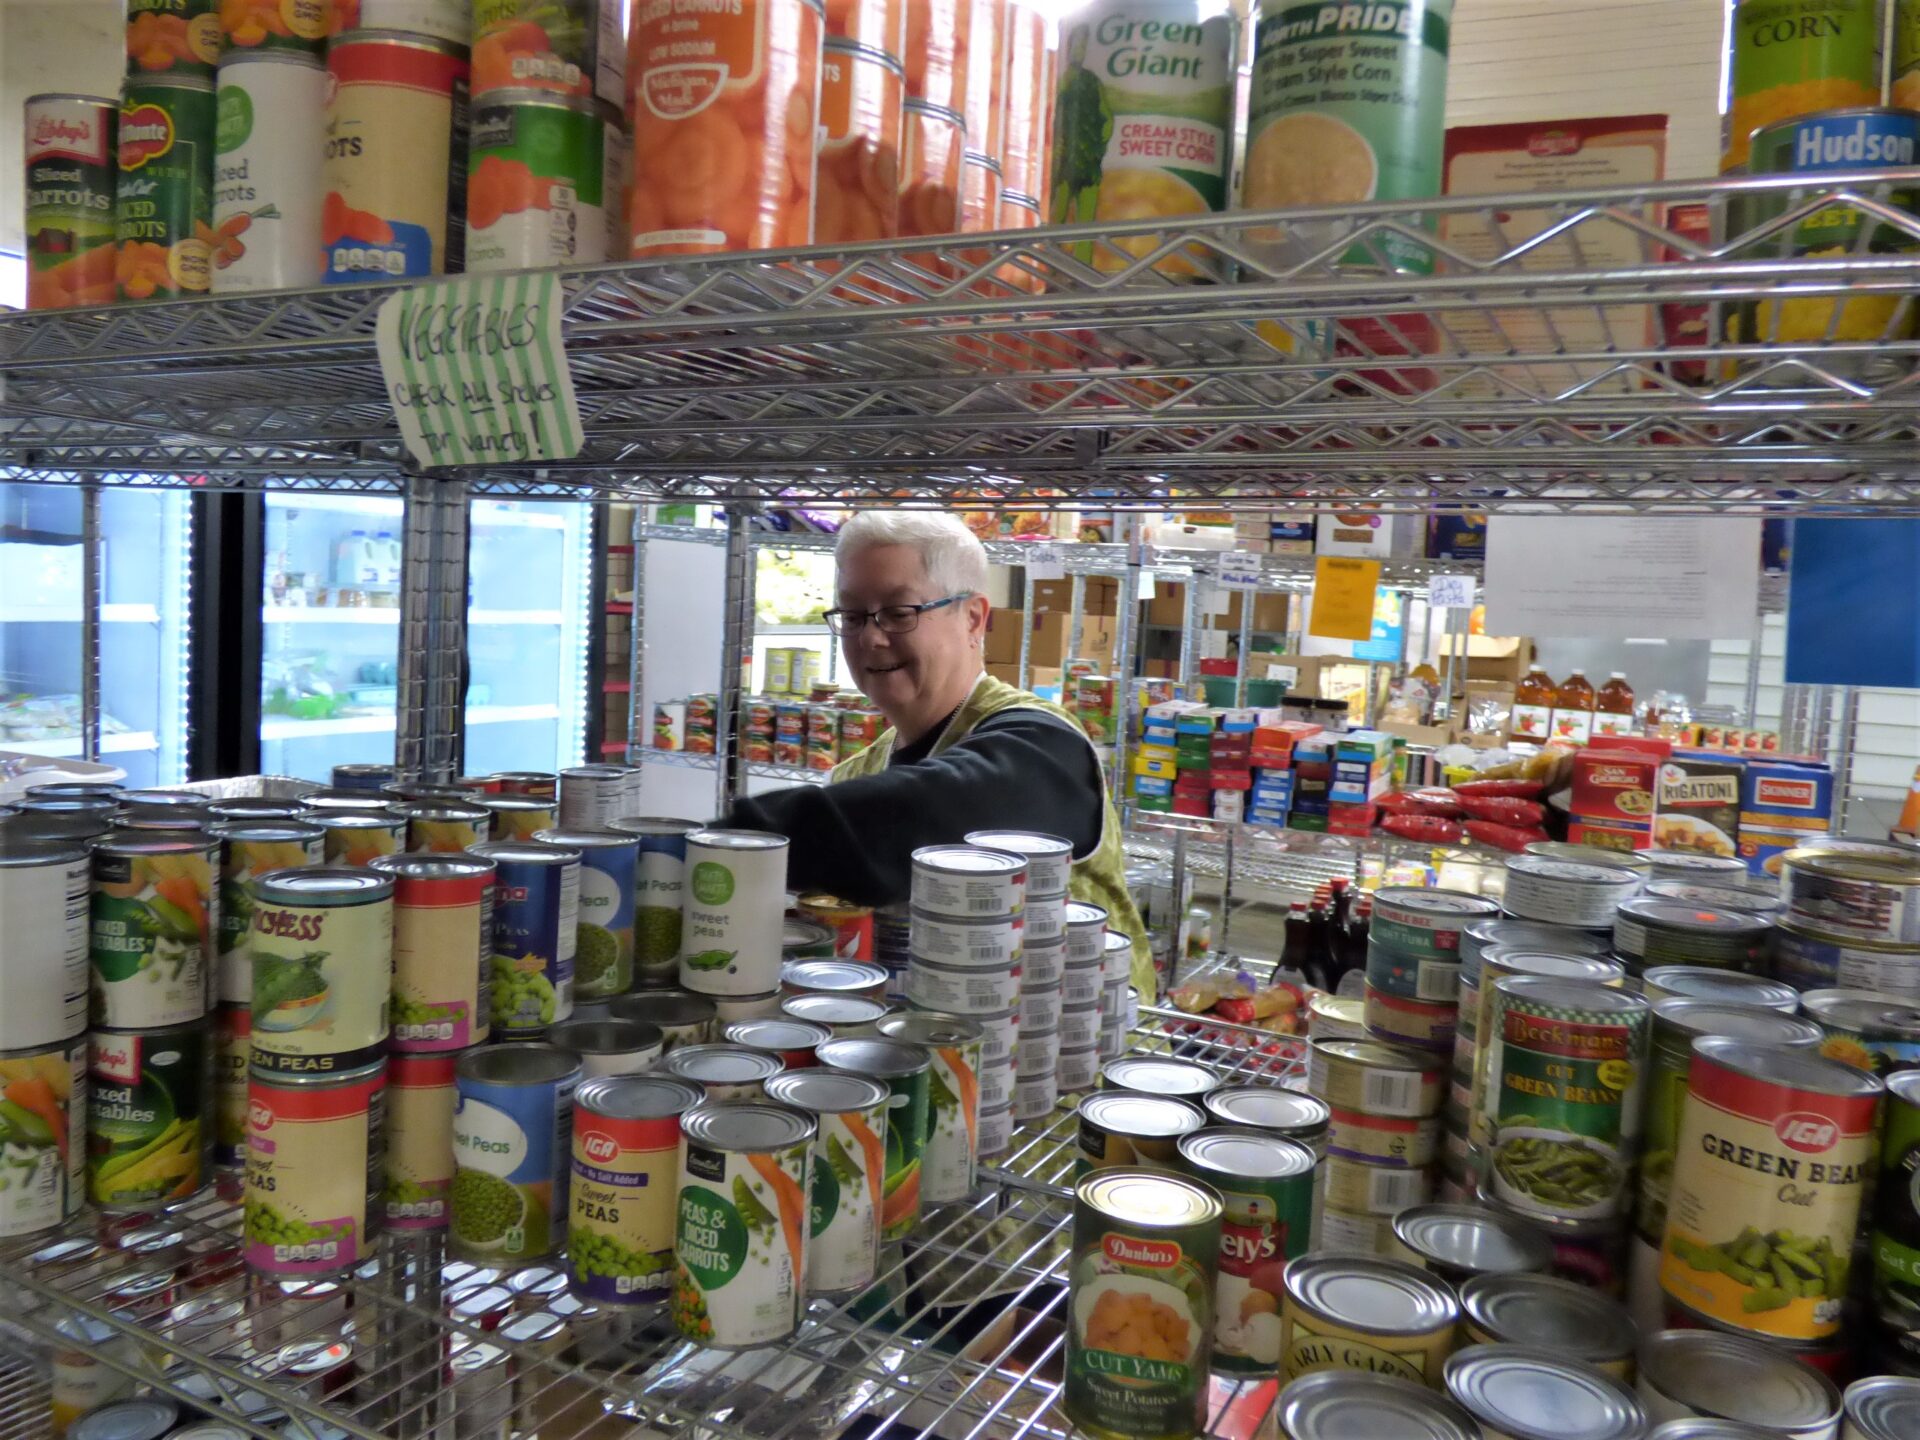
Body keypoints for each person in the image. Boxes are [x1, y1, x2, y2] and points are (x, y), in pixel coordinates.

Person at [727, 510, 1153, 994]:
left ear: (973, 618)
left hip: (1083, 1050)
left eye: (899, 612)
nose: (870, 636)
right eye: (852, 615)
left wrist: (732, 844)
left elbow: (930, 808)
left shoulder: (1042, 741)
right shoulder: (856, 772)